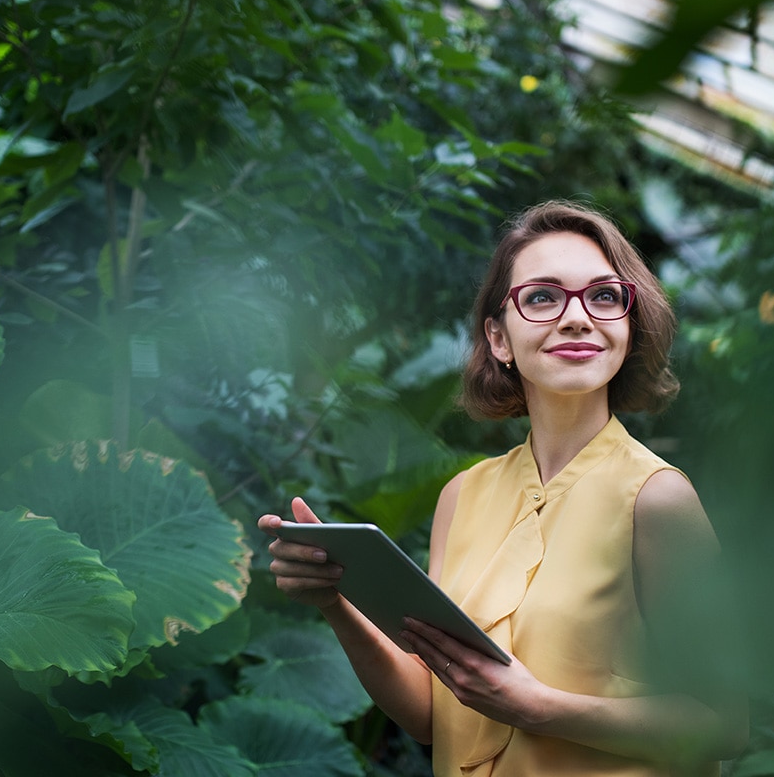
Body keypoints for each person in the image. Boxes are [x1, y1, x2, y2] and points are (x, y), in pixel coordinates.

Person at [258, 200, 748, 776]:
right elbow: (429, 714)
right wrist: (335, 604)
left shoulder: (658, 498)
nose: (576, 317)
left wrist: (541, 708)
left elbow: (726, 725)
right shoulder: (461, 496)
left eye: (604, 296)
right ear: (498, 338)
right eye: (542, 297)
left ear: (629, 326)